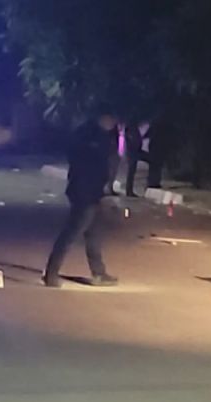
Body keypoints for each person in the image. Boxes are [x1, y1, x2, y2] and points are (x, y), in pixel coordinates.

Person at [43, 107, 120, 288]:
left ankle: (99, 273)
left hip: (94, 191)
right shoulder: (89, 136)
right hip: (84, 192)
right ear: (104, 117)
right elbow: (86, 164)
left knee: (94, 234)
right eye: (111, 120)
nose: (113, 125)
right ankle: (51, 273)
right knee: (72, 232)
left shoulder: (99, 135)